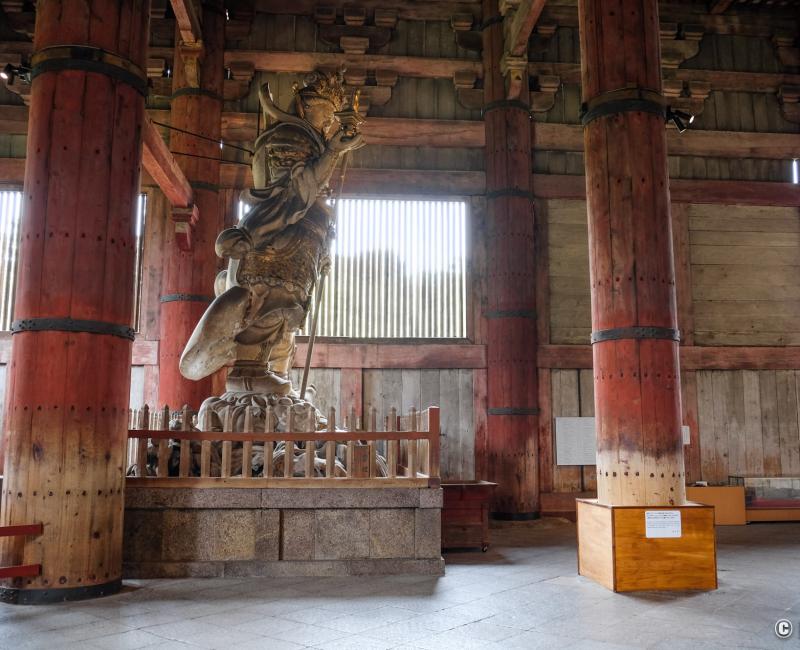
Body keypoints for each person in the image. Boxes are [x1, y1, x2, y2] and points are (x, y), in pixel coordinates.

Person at [180, 70, 363, 400]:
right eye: (324, 112)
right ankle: (248, 374)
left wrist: (323, 248)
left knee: (288, 308)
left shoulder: (317, 142)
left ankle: (272, 373)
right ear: (306, 106)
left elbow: (314, 194)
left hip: (302, 243)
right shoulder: (288, 137)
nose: (329, 120)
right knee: (266, 301)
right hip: (276, 232)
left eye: (333, 115)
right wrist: (333, 151)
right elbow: (297, 188)